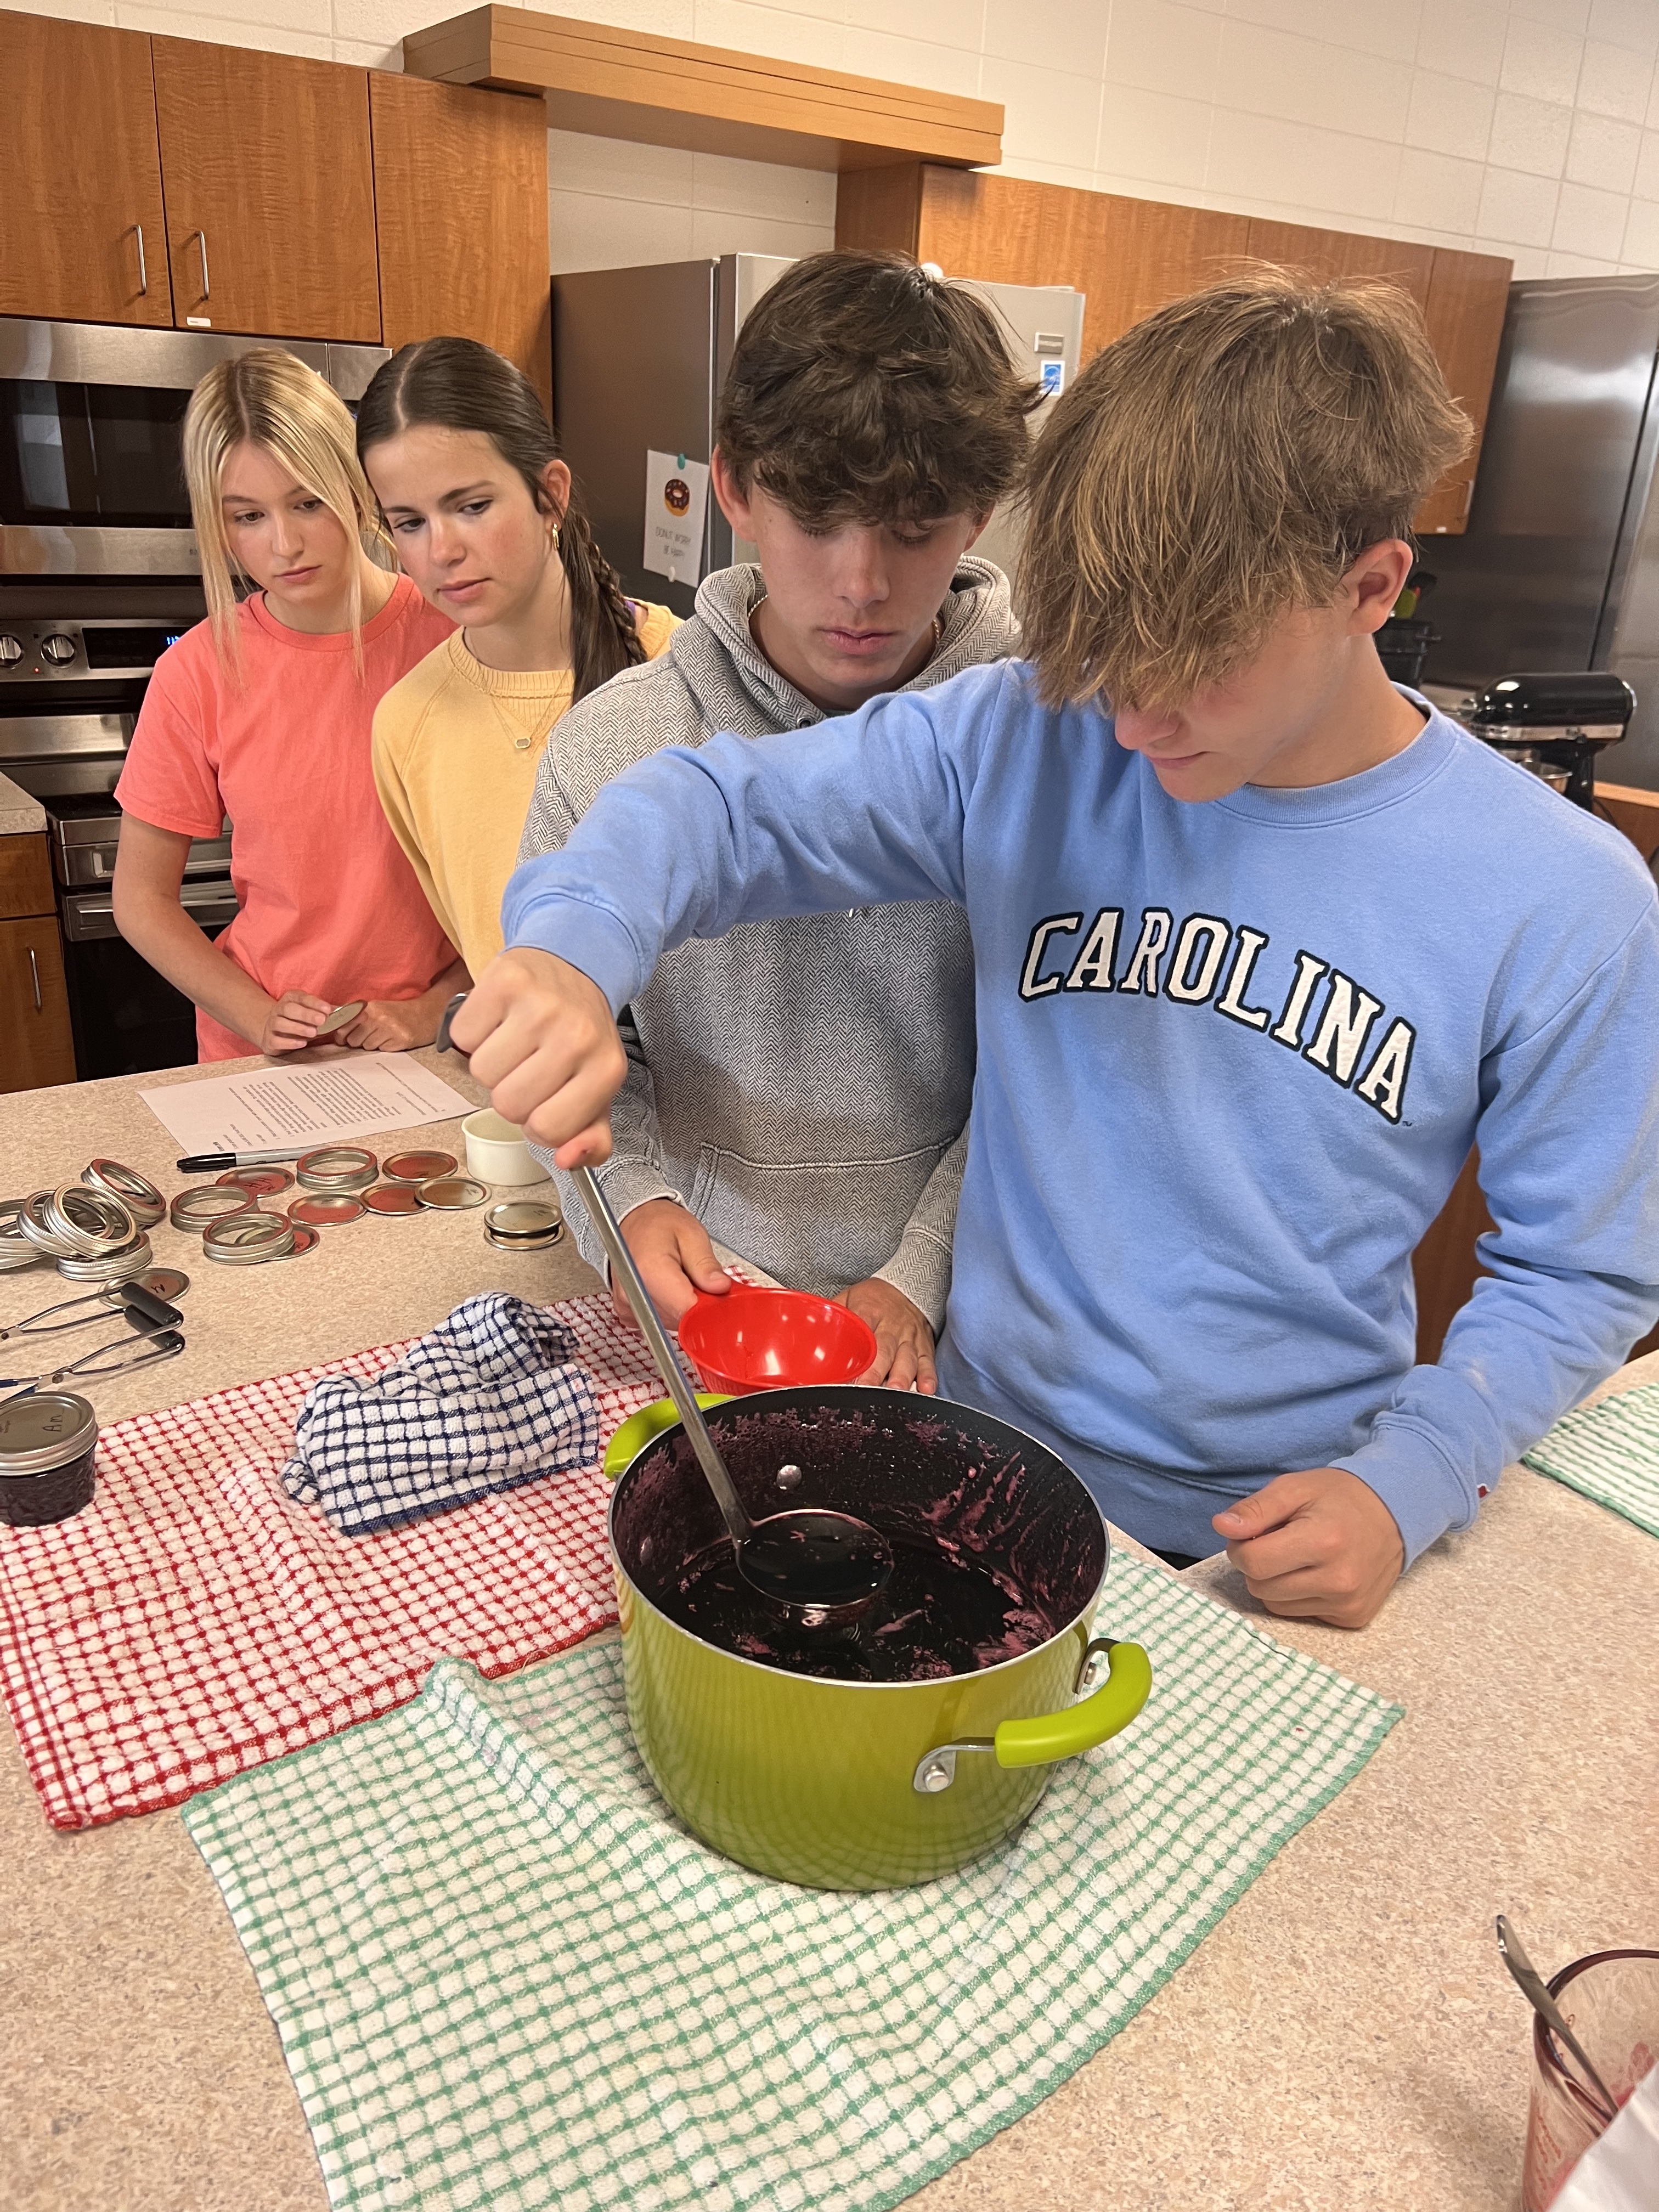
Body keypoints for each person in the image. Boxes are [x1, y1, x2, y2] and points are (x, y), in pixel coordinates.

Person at [443, 270, 1659, 1631]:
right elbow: (713, 804)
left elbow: (1580, 1270)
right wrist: (572, 945)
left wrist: (1417, 1474)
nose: (1133, 724)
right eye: (1105, 663)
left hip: (1282, 1526)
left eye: (1199, 667)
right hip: (974, 1460)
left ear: (1373, 587)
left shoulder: (1564, 896)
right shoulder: (1027, 732)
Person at [516, 252, 1041, 1391]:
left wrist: (924, 1267)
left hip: (966, 1316)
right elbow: (601, 1055)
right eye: (818, 518)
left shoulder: (1046, 750)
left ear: (980, 514)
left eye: (912, 529)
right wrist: (632, 1204)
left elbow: (1055, 1070)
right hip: (702, 1300)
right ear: (735, 488)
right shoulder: (612, 749)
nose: (861, 582)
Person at [114, 348, 464, 1060]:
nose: (285, 544)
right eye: (248, 517)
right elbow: (141, 901)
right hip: (263, 1057)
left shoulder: (455, 637)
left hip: (436, 1038)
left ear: (354, 485)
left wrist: (442, 1001)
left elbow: (527, 867)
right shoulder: (195, 672)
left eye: (307, 503)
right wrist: (256, 1013)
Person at [356, 338, 678, 991]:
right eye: (409, 523)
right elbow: (487, 959)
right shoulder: (407, 726)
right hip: (536, 1094)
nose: (442, 549)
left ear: (550, 494)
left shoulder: (689, 669)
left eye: (471, 506)